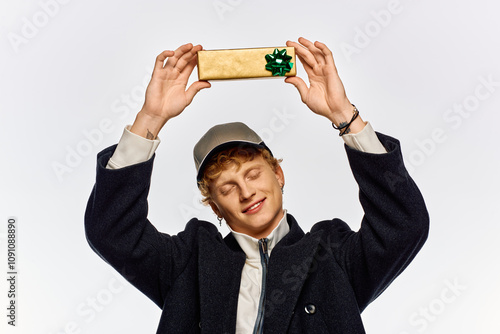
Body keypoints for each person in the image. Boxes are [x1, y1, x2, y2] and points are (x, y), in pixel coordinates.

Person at [85, 37, 429, 333]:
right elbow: (111, 231)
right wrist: (151, 118)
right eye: (227, 187)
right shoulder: (189, 261)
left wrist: (344, 116)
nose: (246, 192)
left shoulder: (332, 256)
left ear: (278, 175)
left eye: (252, 174)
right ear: (214, 207)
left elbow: (404, 225)